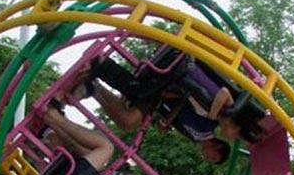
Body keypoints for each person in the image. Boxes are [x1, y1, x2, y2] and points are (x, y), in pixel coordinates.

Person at [72, 58, 233, 165]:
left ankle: (94, 86)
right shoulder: (209, 124)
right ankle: (101, 69)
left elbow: (175, 119)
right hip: (170, 92)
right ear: (217, 146)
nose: (207, 157)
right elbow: (189, 101)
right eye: (212, 157)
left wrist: (163, 125)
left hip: (161, 103)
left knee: (126, 120)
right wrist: (167, 118)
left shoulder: (195, 137)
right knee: (131, 112)